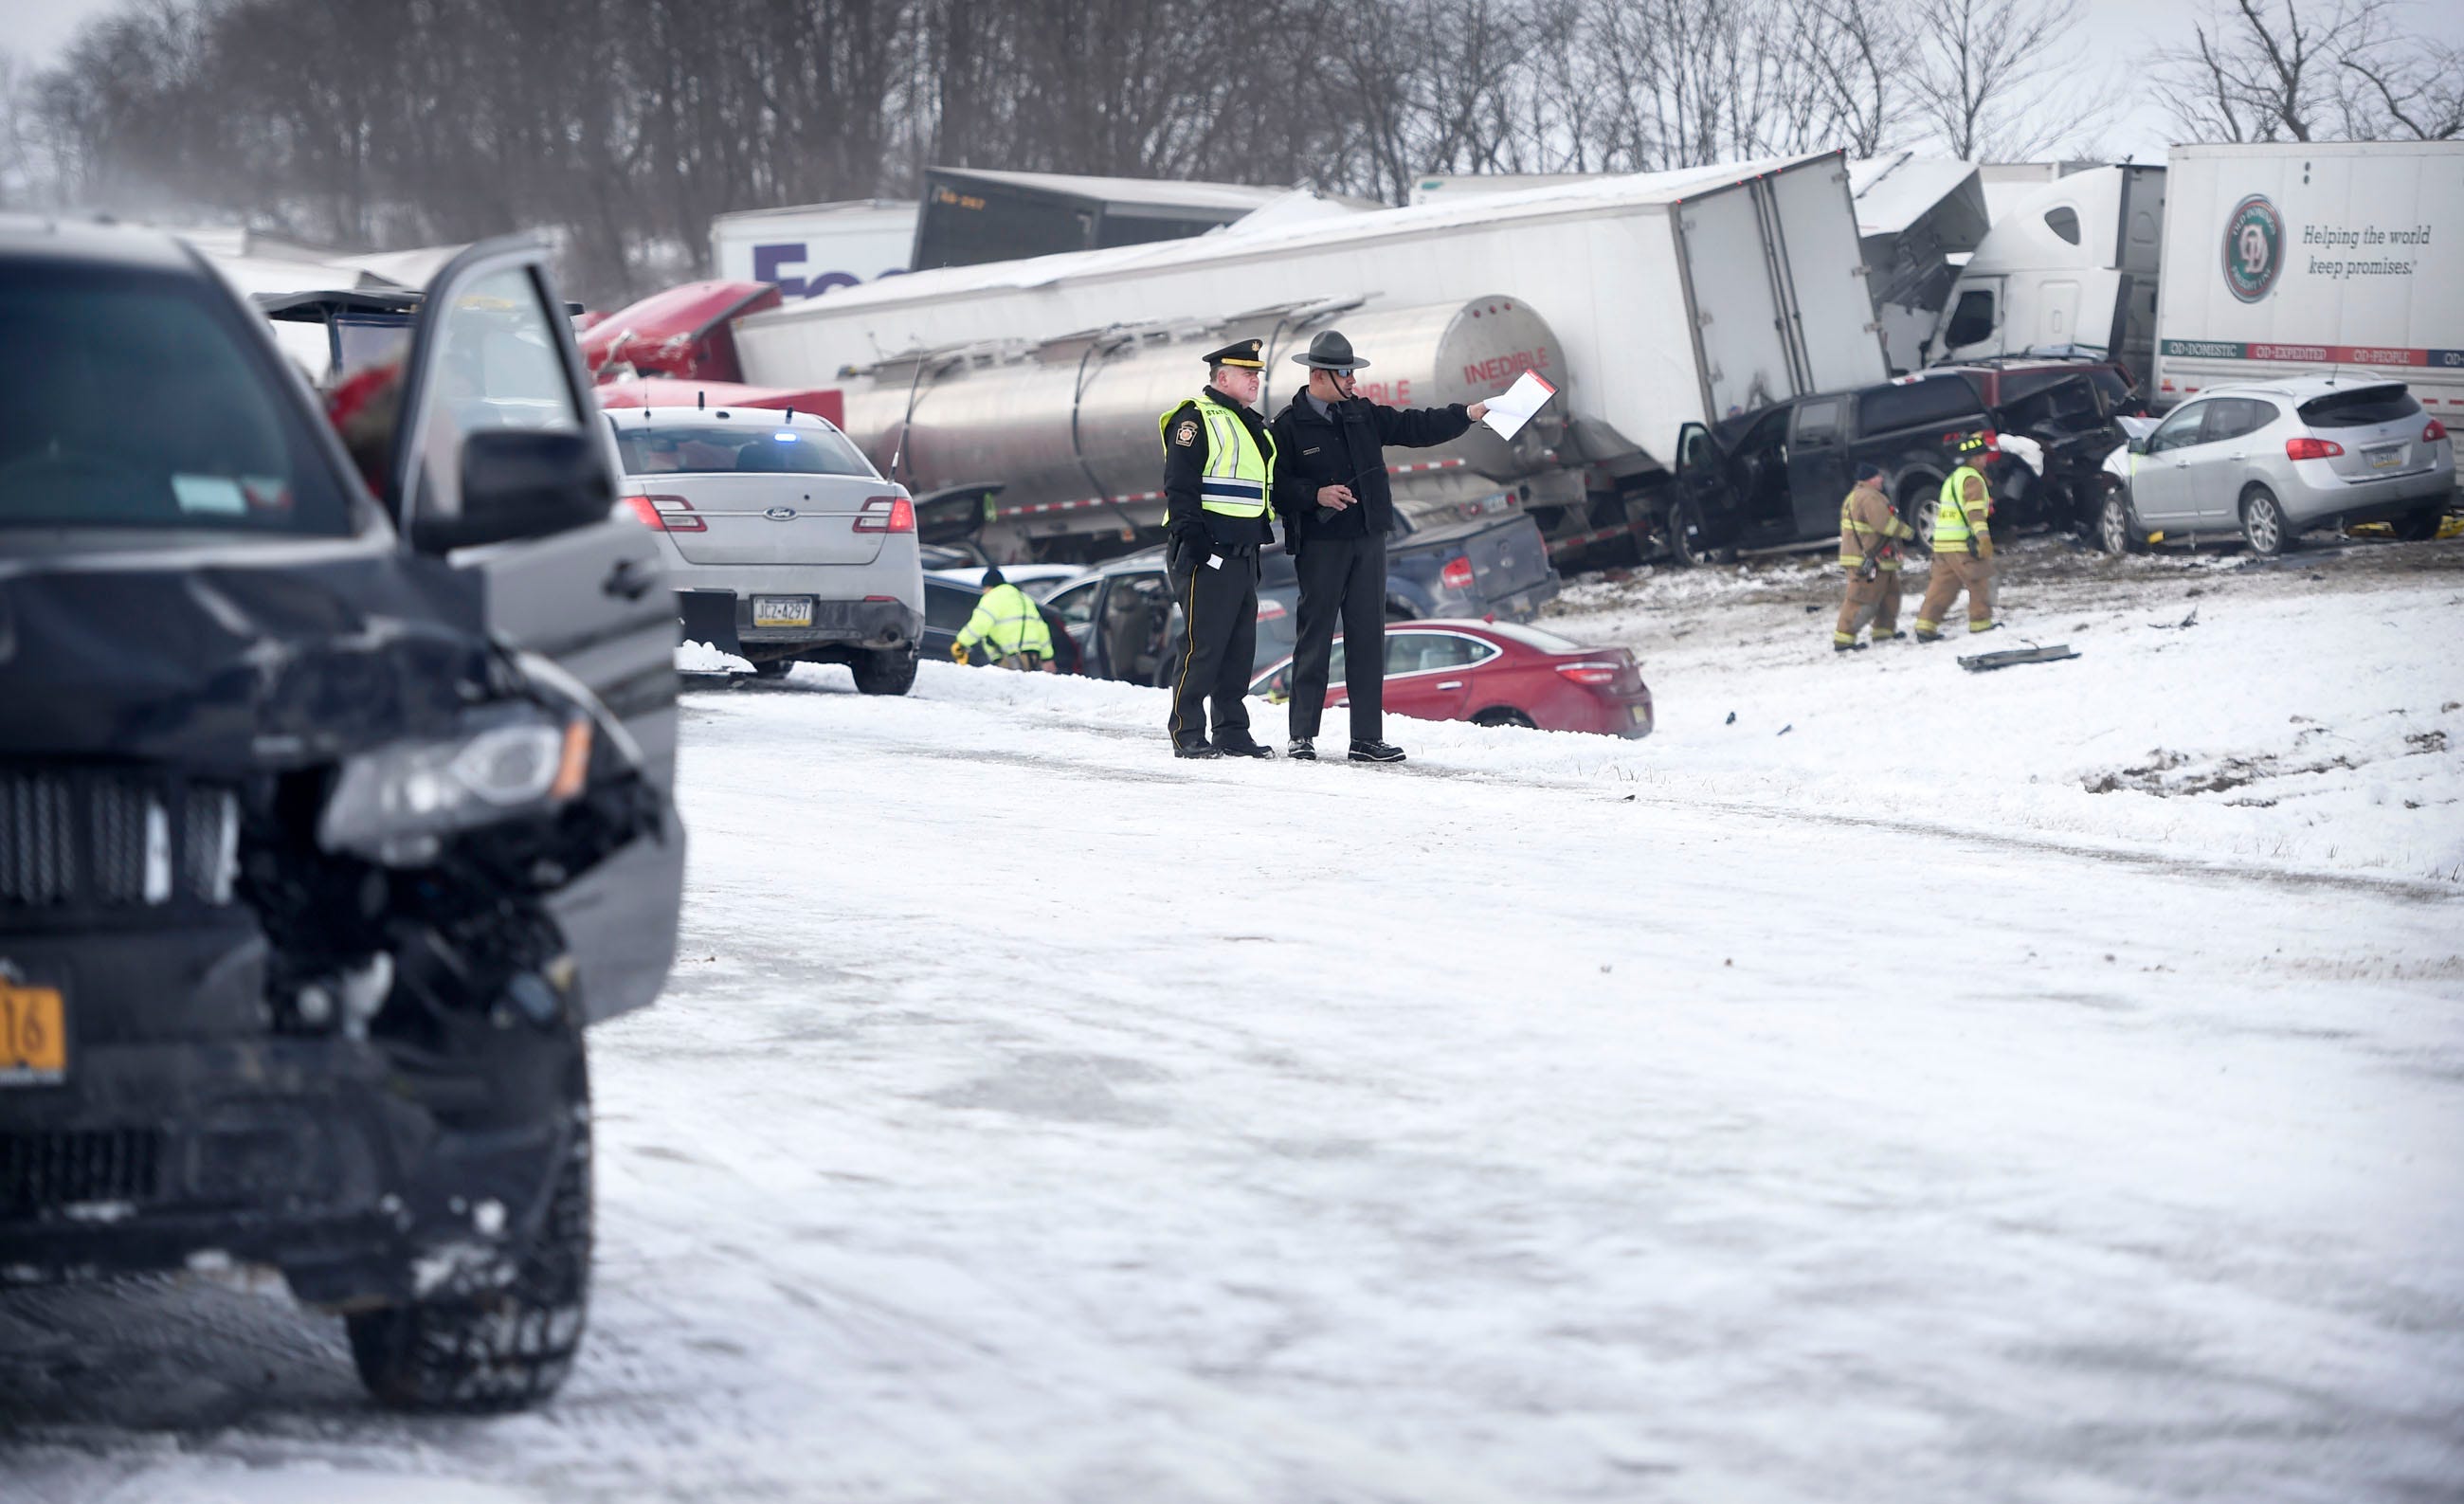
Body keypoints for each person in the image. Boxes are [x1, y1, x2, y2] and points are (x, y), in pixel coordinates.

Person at [1269, 330, 1487, 763]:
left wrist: (1469, 412)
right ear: (1319, 376)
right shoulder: (1287, 427)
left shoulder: (1362, 414)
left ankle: (1366, 739)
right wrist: (1315, 495)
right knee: (1314, 636)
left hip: (1369, 539)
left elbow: (1415, 425)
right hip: (1322, 545)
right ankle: (1301, 736)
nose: (1354, 381)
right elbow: (1275, 488)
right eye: (1347, 374)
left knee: (1368, 637)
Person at [1158, 337, 1280, 758]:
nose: (1255, 380)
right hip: (1207, 551)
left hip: (1244, 551)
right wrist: (1194, 541)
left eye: (1258, 374)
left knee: (1238, 648)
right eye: (1248, 374)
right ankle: (1187, 730)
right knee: (1203, 644)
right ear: (1222, 377)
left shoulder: (1249, 421)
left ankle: (1231, 730)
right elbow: (1180, 482)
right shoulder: (1196, 419)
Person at [1914, 431, 2001, 642]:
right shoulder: (1973, 480)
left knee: (1942, 586)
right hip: (1961, 543)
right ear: (1977, 458)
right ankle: (1981, 622)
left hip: (1942, 543)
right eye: (1983, 455)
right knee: (1980, 579)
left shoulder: (1954, 478)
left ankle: (1926, 626)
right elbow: (1974, 514)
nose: (1986, 459)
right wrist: (1983, 539)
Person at [1834, 462, 1914, 651]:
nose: (1882, 479)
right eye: (1878, 476)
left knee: (1890, 593)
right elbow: (1884, 524)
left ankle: (1883, 631)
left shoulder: (1856, 496)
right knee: (1861, 598)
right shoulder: (1870, 497)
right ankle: (1844, 638)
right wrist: (1908, 532)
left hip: (1875, 558)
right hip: (1867, 559)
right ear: (1870, 479)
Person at [951, 566, 1056, 670]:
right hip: (1033, 657)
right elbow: (1042, 628)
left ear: (989, 586)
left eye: (984, 588)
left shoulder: (992, 598)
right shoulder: (1023, 598)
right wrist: (1047, 658)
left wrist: (961, 642)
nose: (983, 592)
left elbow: (980, 624)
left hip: (1014, 658)